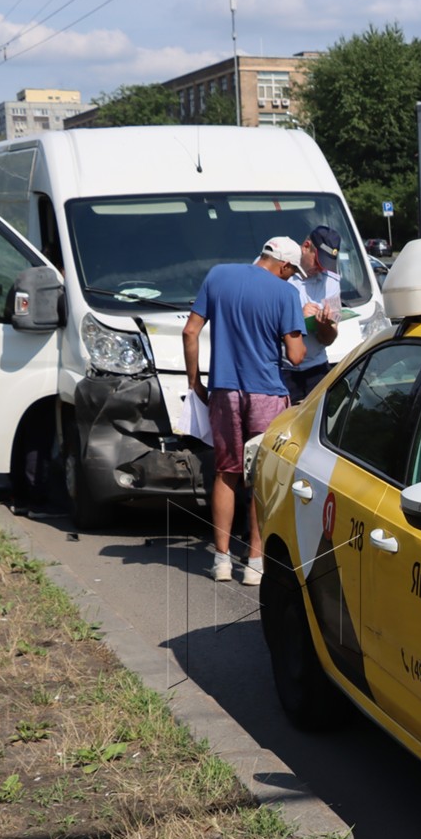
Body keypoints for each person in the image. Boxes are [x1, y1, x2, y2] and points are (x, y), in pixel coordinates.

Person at [182, 236, 306, 585]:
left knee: (226, 473)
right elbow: (296, 356)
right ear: (284, 266)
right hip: (266, 394)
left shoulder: (218, 276)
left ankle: (220, 560)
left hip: (224, 392)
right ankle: (254, 563)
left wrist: (195, 383)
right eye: (291, 272)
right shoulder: (285, 295)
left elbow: (190, 331)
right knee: (260, 479)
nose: (290, 278)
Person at [281, 225, 342, 404]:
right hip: (282, 369)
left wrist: (325, 325)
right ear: (306, 246)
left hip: (317, 369)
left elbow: (329, 338)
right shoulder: (281, 271)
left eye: (326, 264)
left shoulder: (331, 281)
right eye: (318, 262)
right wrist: (297, 317)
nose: (321, 269)